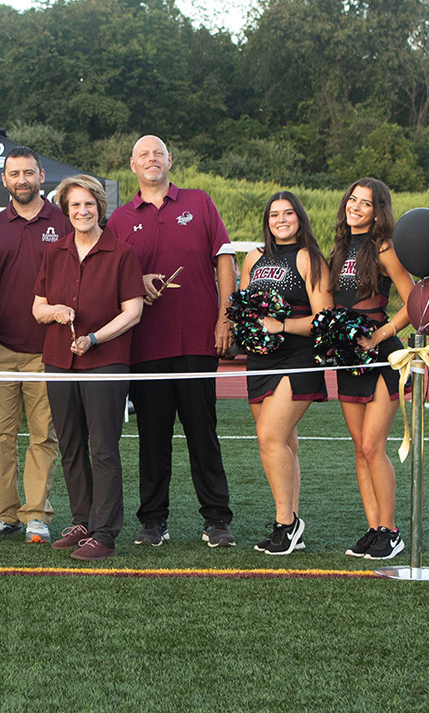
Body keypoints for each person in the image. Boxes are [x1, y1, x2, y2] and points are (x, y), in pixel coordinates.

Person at [108, 135, 237, 548]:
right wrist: (137, 281)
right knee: (153, 437)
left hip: (198, 341)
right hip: (145, 346)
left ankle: (216, 520)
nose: (152, 160)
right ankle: (152, 522)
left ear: (170, 161)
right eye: (143, 154)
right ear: (132, 165)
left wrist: (224, 317)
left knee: (204, 435)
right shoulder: (120, 219)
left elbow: (225, 260)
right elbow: (109, 278)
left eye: (158, 153)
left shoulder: (199, 202)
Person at [33, 175, 145, 562]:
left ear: (100, 207)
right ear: (66, 211)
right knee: (70, 445)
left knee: (103, 448)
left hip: (106, 361)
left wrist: (95, 338)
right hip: (59, 361)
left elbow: (133, 311)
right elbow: (37, 307)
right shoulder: (54, 252)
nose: (82, 211)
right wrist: (54, 311)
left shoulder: (122, 253)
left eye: (89, 204)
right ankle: (82, 523)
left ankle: (104, 533)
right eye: (75, 206)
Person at [0, 148, 68, 544]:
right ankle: (3, 514)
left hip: (47, 348)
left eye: (28, 172)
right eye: (14, 173)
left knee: (44, 436)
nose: (22, 179)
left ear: (41, 176)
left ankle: (36, 515)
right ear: (4, 180)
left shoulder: (65, 223)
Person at [326, 179, 414, 560]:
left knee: (373, 446)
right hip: (348, 356)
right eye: (352, 200)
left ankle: (391, 531)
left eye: (365, 203)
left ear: (378, 211)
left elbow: (415, 302)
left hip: (380, 356)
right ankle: (373, 527)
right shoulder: (340, 248)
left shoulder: (384, 247)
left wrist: (382, 334)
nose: (355, 207)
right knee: (359, 449)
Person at [242, 192, 332, 555]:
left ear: (300, 218)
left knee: (270, 437)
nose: (281, 220)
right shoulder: (254, 258)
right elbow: (243, 307)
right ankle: (292, 520)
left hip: (297, 357)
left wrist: (281, 325)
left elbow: (323, 318)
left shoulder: (309, 258)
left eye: (288, 213)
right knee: (285, 442)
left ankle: (285, 523)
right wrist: (247, 327)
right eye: (274, 214)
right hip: (259, 359)